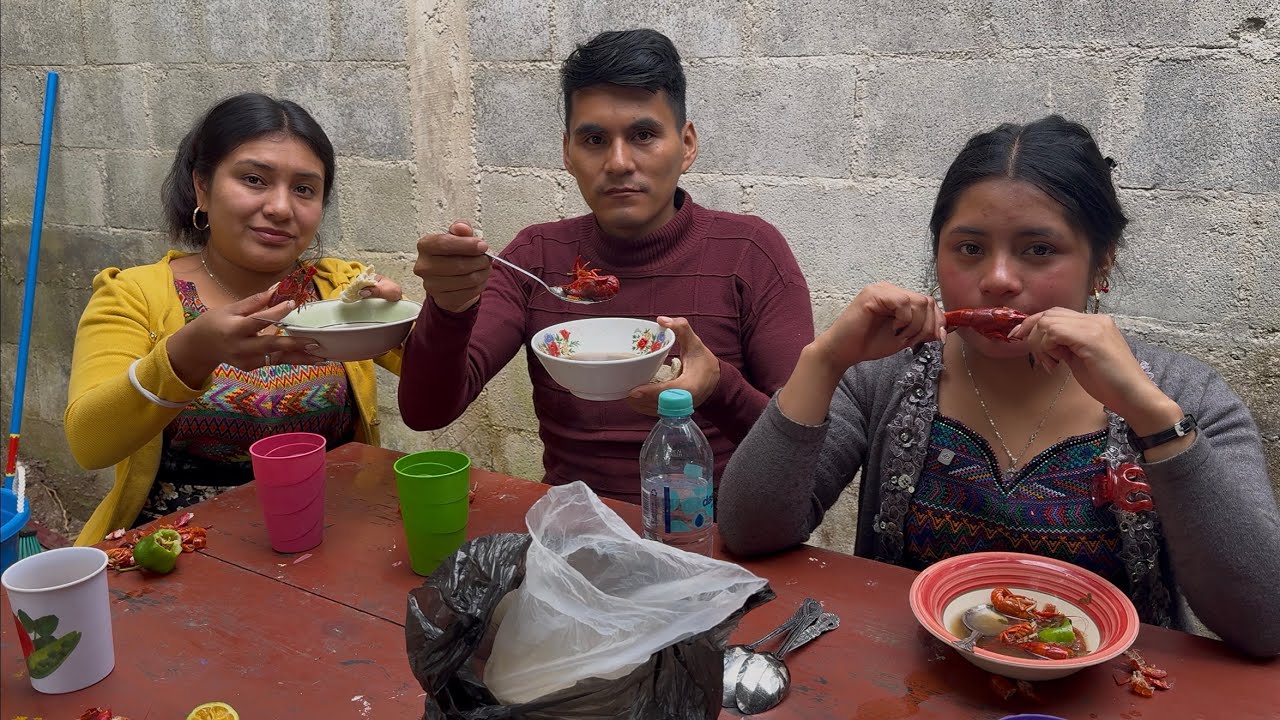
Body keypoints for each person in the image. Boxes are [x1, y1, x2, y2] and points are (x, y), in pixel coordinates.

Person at [718, 115, 1280, 658]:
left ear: (1101, 262)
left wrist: (1153, 418)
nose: (998, 280)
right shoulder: (884, 378)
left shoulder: (1185, 395)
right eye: (969, 248)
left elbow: (1263, 619)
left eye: (1039, 249)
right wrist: (824, 361)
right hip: (909, 688)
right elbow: (749, 531)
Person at [398, 29, 813, 502]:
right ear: (567, 154)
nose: (618, 162)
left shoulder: (749, 252)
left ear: (687, 144)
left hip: (711, 537)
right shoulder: (536, 256)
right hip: (572, 532)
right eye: (594, 139)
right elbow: (426, 412)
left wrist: (719, 387)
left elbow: (804, 449)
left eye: (643, 135)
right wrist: (449, 307)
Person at [65, 93, 404, 545]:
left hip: (325, 539)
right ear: (202, 186)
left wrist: (437, 311)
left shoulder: (338, 292)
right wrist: (188, 354)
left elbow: (442, 380)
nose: (281, 208)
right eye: (254, 179)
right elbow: (90, 444)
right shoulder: (135, 295)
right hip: (176, 553)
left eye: (304, 189)